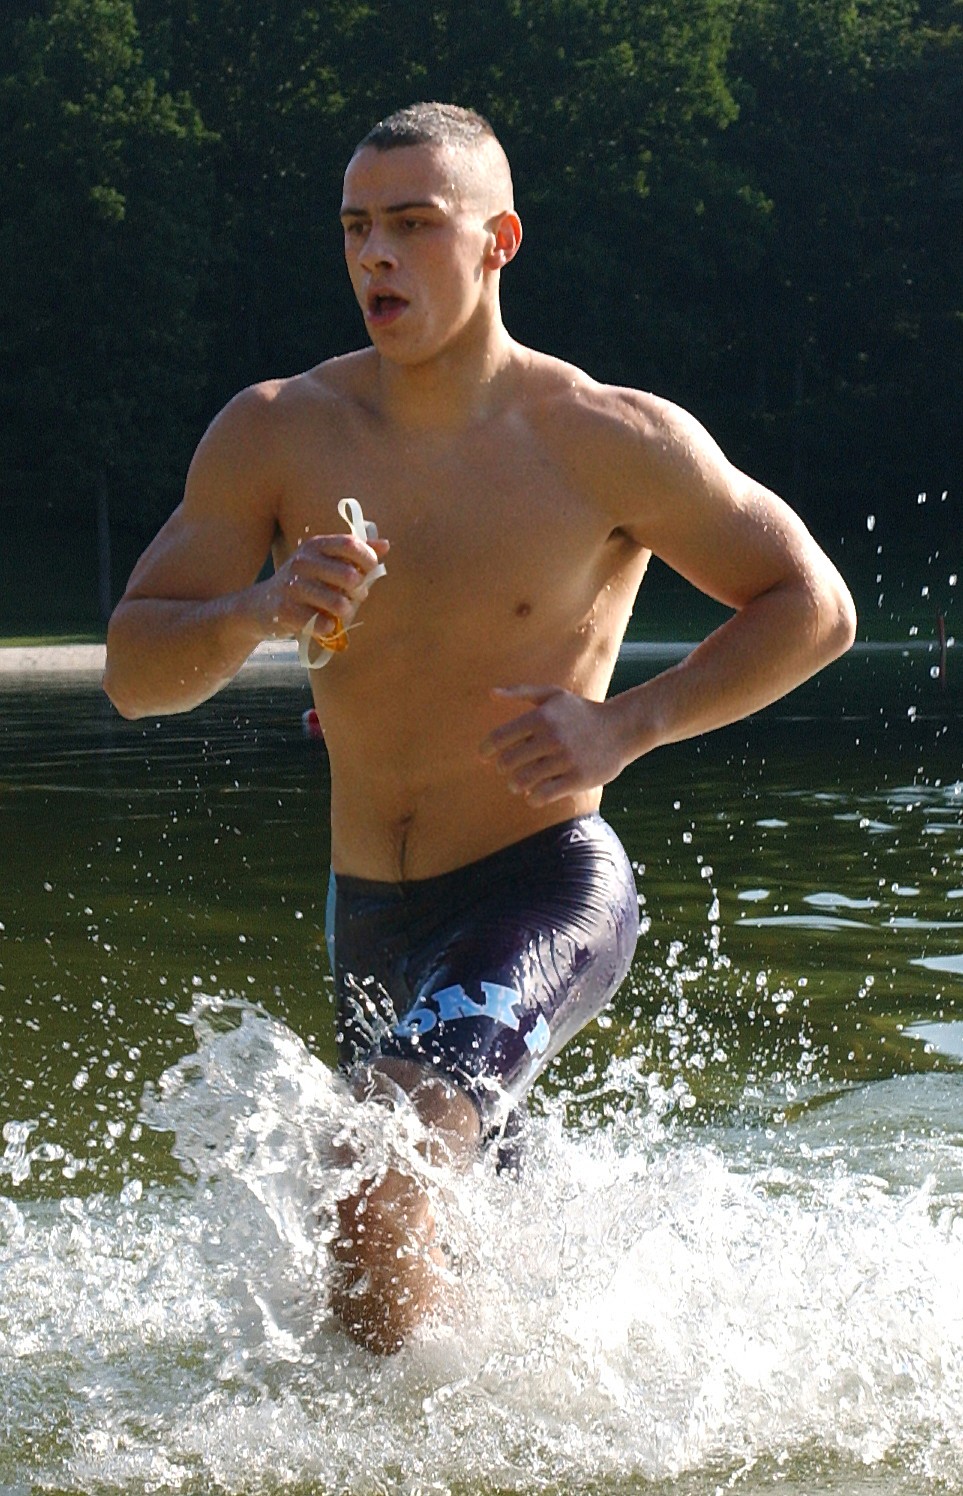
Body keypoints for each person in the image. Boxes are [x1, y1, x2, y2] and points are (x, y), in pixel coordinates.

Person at [103, 101, 857, 1353]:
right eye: (356, 229)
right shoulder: (278, 430)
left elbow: (814, 607)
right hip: (369, 912)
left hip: (542, 885)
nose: (375, 257)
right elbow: (136, 671)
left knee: (373, 1175)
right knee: (425, 1246)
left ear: (498, 238)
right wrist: (256, 605)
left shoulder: (603, 436)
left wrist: (629, 725)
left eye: (413, 224)